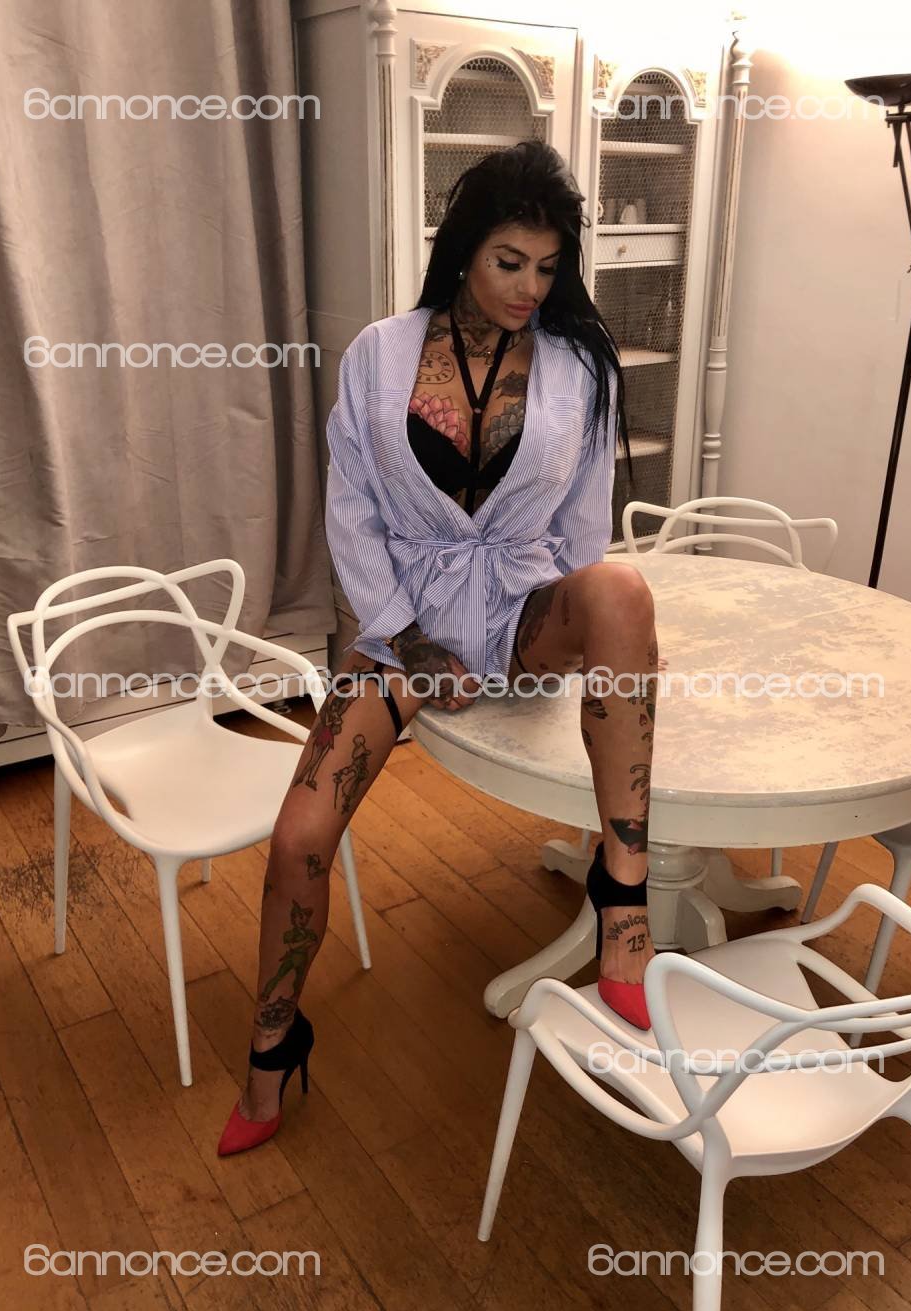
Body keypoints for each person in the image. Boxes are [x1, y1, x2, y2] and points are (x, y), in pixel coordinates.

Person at [218, 139, 659, 1157]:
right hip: (402, 621)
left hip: (520, 605)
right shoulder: (379, 354)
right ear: (463, 248)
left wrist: (594, 642)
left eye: (547, 268)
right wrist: (411, 641)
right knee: (297, 837)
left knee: (626, 591)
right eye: (509, 261)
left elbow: (583, 534)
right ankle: (273, 1046)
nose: (529, 288)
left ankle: (624, 899)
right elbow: (352, 513)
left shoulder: (577, 367)